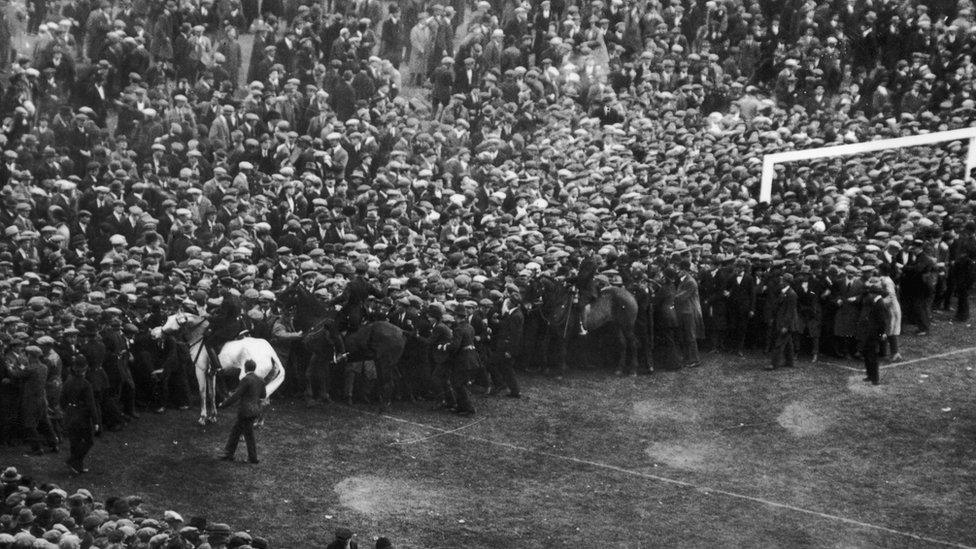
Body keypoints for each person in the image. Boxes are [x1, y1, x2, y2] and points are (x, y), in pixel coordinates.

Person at [218, 359, 266, 464]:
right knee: (236, 431)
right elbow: (263, 396)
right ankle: (229, 454)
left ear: (245, 368)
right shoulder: (261, 380)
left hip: (245, 412)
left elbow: (236, 395)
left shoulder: (246, 379)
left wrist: (224, 404)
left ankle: (252, 458)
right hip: (255, 411)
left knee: (247, 434)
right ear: (254, 367)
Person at [60, 359, 99, 475]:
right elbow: (91, 404)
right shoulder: (86, 384)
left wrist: (67, 409)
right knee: (88, 441)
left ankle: (77, 467)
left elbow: (62, 399)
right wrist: (96, 421)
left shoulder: (68, 381)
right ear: (84, 370)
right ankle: (72, 461)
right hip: (82, 415)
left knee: (74, 441)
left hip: (70, 413)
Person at [858, 278, 889, 386]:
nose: (869, 295)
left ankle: (875, 378)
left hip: (874, 334)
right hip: (870, 332)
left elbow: (883, 322)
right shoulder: (875, 302)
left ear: (875, 294)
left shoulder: (880, 304)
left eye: (871, 293)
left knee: (872, 356)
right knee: (867, 355)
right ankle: (870, 375)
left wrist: (881, 334)